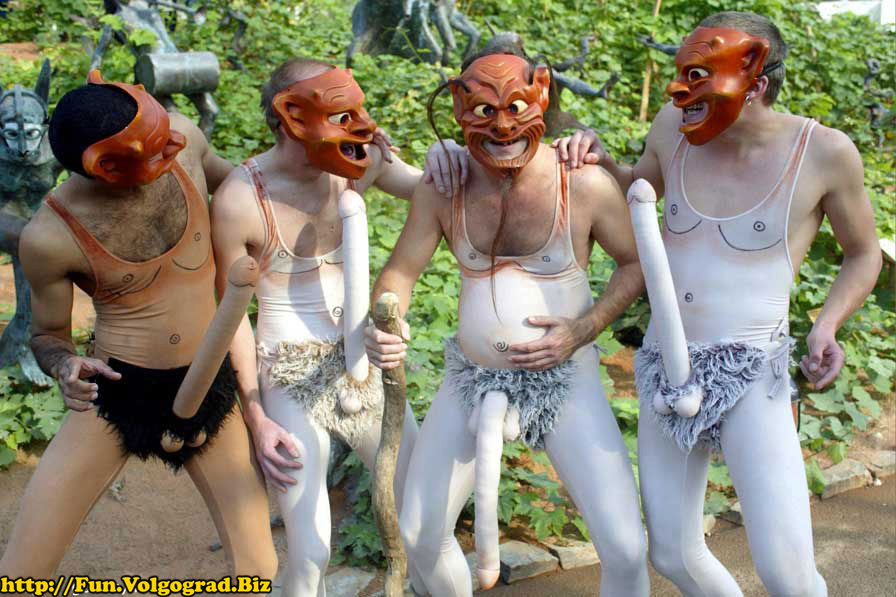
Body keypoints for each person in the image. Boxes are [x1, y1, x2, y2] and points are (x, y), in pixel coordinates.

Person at [554, 11, 882, 596]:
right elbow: (637, 187)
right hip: (667, 365)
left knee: (786, 572)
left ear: (755, 79)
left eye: (698, 76)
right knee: (673, 551)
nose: (680, 90)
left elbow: (863, 253)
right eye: (682, 73)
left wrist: (826, 325)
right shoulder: (673, 126)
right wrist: (599, 158)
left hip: (753, 372)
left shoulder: (824, 152)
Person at [365, 51, 649, 596]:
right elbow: (400, 271)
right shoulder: (444, 185)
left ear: (540, 99)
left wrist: (583, 329)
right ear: (458, 106)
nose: (502, 128)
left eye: (515, 108)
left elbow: (634, 263)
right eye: (484, 111)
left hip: (566, 379)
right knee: (420, 532)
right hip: (472, 380)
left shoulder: (581, 183)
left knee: (624, 546)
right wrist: (385, 321)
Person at [0, 72, 276, 587]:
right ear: (104, 165)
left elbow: (249, 186)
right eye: (154, 147)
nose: (173, 144)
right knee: (22, 575)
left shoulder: (183, 137)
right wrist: (65, 364)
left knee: (257, 569)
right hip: (115, 392)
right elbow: (47, 335)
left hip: (207, 385)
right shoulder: (50, 236)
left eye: (164, 130)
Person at [210, 57, 466, 597]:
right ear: (291, 117)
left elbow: (434, 189)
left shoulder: (355, 161)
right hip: (289, 372)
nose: (358, 126)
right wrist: (257, 417)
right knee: (310, 551)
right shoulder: (240, 199)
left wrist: (447, 154)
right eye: (339, 115)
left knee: (424, 515)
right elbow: (232, 320)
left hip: (362, 361)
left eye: (355, 112)